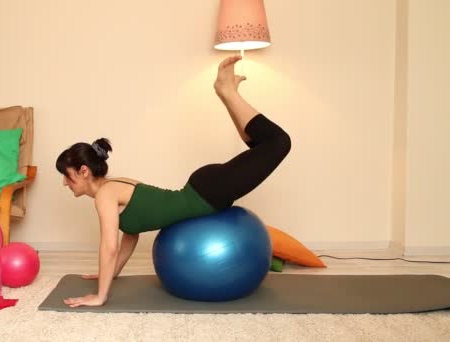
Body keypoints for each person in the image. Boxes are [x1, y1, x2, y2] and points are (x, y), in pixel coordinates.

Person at [56, 55, 291, 308]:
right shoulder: (115, 187)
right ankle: (227, 92)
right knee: (261, 145)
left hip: (208, 192)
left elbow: (108, 248)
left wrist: (100, 296)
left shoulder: (105, 196)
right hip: (205, 187)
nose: (64, 184)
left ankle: (226, 92)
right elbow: (130, 236)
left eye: (66, 176)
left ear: (82, 171)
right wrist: (111, 274)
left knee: (277, 143)